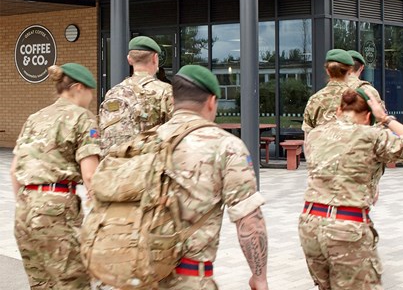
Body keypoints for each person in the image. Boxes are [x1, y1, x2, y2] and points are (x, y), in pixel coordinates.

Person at [96, 65, 267, 290]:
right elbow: (249, 222)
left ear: (174, 102)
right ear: (211, 101)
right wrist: (259, 277)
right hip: (189, 279)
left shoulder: (146, 141)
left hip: (140, 274)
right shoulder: (226, 146)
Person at [299, 88, 403, 290]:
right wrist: (385, 119)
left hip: (310, 223)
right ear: (368, 116)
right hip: (347, 226)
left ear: (339, 110)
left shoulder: (315, 135)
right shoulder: (371, 135)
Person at [10, 63, 101, 289]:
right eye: (91, 91)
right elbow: (90, 175)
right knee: (73, 283)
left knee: (41, 284)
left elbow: (14, 170)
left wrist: (29, 203)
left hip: (24, 213)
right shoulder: (83, 118)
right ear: (78, 88)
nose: (91, 97)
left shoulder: (35, 117)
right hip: (57, 213)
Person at [99, 36, 173, 155]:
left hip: (113, 168)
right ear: (155, 58)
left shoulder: (113, 92)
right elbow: (175, 132)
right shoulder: (164, 91)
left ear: (129, 59)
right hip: (146, 169)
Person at [302, 49, 354, 135]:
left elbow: (308, 135)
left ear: (327, 71)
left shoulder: (315, 99)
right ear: (350, 71)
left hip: (320, 147)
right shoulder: (357, 98)